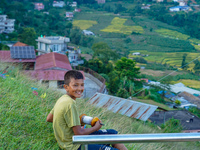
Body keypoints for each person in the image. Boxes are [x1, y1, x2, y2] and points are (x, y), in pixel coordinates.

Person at [46, 70, 127, 150]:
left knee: (112, 134)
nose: (80, 88)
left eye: (82, 85)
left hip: (69, 140)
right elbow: (79, 134)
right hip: (74, 146)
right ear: (66, 87)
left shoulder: (62, 99)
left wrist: (77, 120)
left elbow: (49, 118)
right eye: (75, 85)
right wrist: (96, 127)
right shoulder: (70, 104)